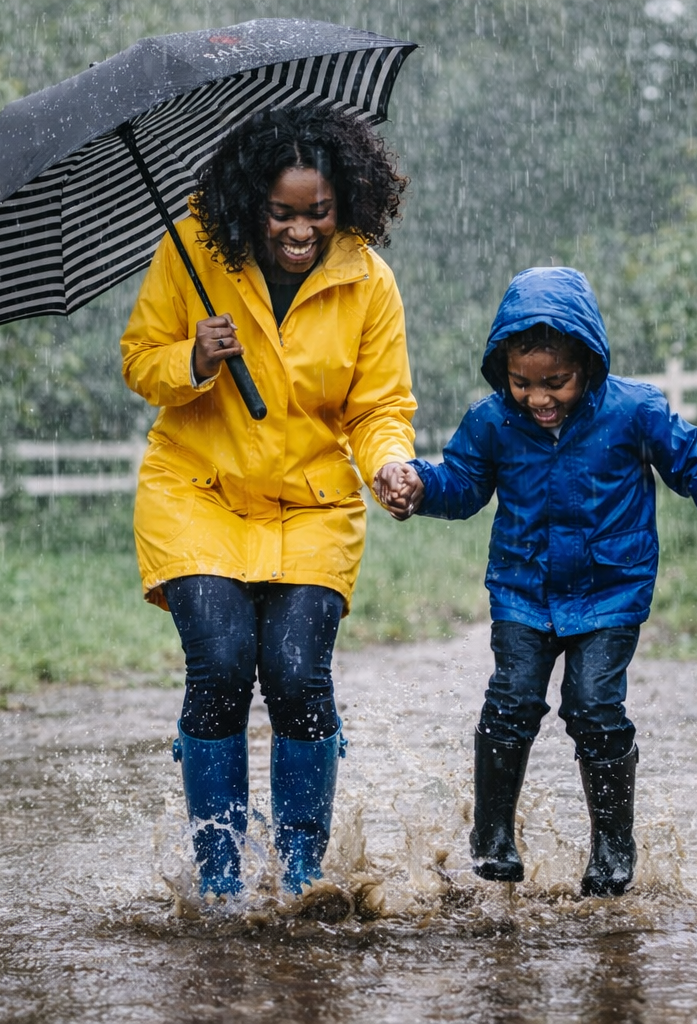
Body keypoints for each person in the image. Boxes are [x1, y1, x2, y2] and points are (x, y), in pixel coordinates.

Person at [375, 266, 697, 897]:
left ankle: (612, 845)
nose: (539, 397)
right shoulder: (492, 422)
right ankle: (493, 834)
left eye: (555, 381)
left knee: (594, 706)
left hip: (611, 591)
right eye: (522, 382)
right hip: (523, 590)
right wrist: (421, 487)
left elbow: (690, 457)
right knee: (512, 701)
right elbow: (465, 486)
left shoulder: (634, 411)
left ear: (588, 363)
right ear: (503, 370)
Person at [120, 105, 416, 897]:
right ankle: (220, 882)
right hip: (198, 490)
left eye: (316, 212)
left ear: (342, 201)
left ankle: (302, 877)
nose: (298, 230)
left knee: (295, 675)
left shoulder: (368, 282)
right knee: (219, 666)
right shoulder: (192, 253)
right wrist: (195, 357)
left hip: (313, 503)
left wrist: (389, 465)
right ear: (251, 200)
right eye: (280, 212)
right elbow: (139, 362)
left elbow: (379, 407)